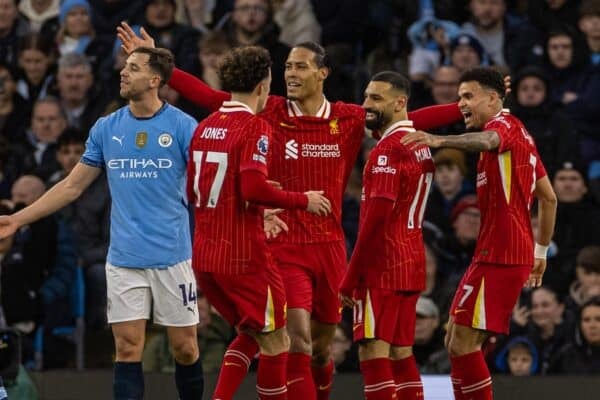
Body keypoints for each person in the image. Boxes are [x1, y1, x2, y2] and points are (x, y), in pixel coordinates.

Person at [117, 22, 465, 400]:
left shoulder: (347, 118)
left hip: (330, 247)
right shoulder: (269, 111)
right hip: (282, 244)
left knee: (319, 350)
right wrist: (160, 64)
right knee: (294, 338)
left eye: (301, 67)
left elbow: (410, 119)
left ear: (322, 73)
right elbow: (209, 96)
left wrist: (463, 107)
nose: (292, 75)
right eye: (287, 68)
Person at [0, 47, 203, 400]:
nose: (124, 73)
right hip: (123, 258)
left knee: (185, 348)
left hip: (173, 256)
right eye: (125, 66)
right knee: (126, 348)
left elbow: (208, 186)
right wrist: (18, 218)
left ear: (155, 80)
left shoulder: (184, 126)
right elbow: (72, 185)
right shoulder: (107, 128)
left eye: (134, 68)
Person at [402, 67, 557, 400]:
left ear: (493, 98)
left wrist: (438, 139)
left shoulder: (505, 127)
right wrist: (540, 253)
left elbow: (488, 140)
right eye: (459, 97)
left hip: (502, 255)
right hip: (492, 254)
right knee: (454, 339)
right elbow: (549, 197)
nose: (462, 105)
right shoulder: (523, 137)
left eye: (468, 96)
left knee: (462, 343)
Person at [189, 45, 331, 400]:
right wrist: (303, 200)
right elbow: (252, 185)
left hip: (205, 255)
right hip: (243, 256)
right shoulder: (255, 126)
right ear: (263, 87)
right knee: (276, 340)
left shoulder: (205, 126)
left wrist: (259, 206)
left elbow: (214, 189)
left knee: (251, 331)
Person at [340, 71, 434, 399]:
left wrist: (351, 278)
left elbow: (375, 221)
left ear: (400, 103)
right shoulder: (420, 146)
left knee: (373, 352)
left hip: (381, 266)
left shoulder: (386, 151)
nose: (367, 105)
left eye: (376, 99)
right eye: (366, 97)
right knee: (401, 353)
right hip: (411, 261)